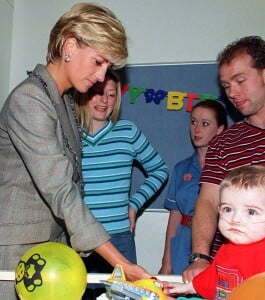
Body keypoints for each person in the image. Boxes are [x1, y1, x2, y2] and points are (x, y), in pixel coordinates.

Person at [0, 3, 149, 299]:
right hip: (17, 249)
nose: (101, 75)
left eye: (108, 67)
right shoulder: (30, 99)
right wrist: (120, 261)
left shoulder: (65, 102)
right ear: (69, 46)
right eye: (98, 62)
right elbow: (60, 190)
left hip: (53, 246)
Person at [183, 35, 265, 282]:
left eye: (240, 81)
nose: (233, 93)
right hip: (234, 274)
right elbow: (208, 201)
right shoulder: (223, 142)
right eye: (226, 86)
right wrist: (200, 257)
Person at [75, 70, 169, 298]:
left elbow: (160, 169)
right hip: (79, 241)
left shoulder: (127, 131)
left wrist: (134, 204)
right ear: (84, 94)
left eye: (111, 94)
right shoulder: (71, 135)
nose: (104, 100)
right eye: (98, 93)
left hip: (119, 240)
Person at [164, 166, 265, 300]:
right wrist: (185, 288)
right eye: (228, 209)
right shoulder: (227, 248)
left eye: (251, 212)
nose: (235, 219)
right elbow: (211, 278)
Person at [158, 100, 227, 275]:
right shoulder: (182, 168)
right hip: (183, 242)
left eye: (205, 124)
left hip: (217, 240)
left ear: (220, 129)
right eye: (193, 122)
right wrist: (167, 262)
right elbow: (174, 217)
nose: (197, 129)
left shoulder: (229, 168)